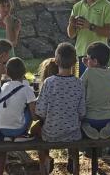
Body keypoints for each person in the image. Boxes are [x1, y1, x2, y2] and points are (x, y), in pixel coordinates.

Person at [35, 42, 86, 173]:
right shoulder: (79, 84)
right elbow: (82, 112)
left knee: (37, 132)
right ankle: (74, 162)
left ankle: (45, 160)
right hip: (73, 134)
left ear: (56, 61)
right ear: (75, 61)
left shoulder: (49, 82)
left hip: (50, 134)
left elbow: (40, 111)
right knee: (74, 127)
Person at [67, 0, 110, 75]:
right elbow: (71, 35)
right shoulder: (77, 6)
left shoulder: (106, 6)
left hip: (99, 56)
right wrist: (71, 24)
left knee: (96, 88)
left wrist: (90, 26)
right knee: (81, 88)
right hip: (81, 55)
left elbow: (109, 33)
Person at [80, 41, 110, 139]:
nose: (86, 60)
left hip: (90, 117)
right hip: (108, 117)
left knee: (81, 125)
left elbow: (79, 85)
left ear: (95, 61)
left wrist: (87, 67)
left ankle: (85, 127)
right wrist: (89, 65)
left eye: (88, 58)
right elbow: (99, 75)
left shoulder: (89, 72)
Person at [0, 58, 36, 141]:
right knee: (29, 107)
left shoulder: (4, 86)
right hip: (17, 130)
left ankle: (8, 137)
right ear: (24, 72)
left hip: (1, 129)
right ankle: (23, 134)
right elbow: (33, 114)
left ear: (7, 72)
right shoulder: (27, 89)